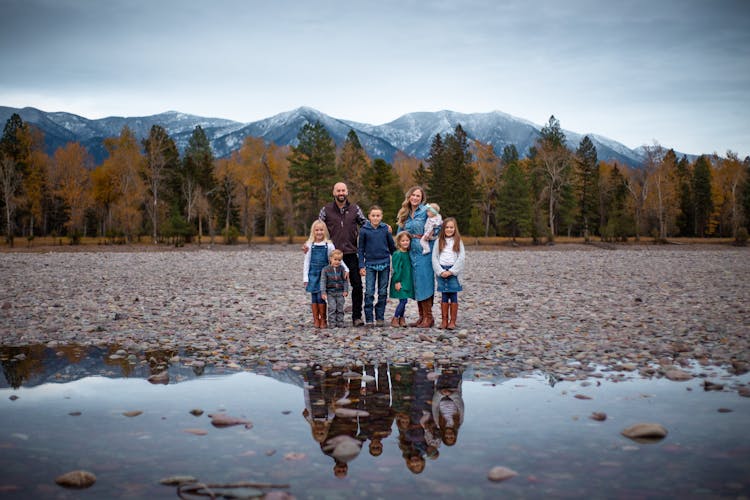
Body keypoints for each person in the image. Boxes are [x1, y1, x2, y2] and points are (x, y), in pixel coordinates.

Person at [316, 182, 368, 326]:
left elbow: (366, 224)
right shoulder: (326, 210)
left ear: (347, 192)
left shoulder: (354, 209)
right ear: (334, 193)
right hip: (332, 254)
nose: (341, 193)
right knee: (328, 285)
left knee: (357, 285)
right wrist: (308, 244)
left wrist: (383, 227)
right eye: (338, 190)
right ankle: (327, 319)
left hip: (351, 252)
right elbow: (317, 228)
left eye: (343, 190)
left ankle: (356, 317)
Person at [396, 186, 436, 328]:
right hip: (408, 251)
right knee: (416, 284)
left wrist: (433, 234)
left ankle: (429, 317)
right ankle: (421, 317)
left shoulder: (426, 211)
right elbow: (400, 233)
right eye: (413, 195)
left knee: (424, 282)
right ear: (409, 196)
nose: (415, 198)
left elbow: (438, 224)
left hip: (424, 251)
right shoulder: (404, 212)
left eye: (418, 196)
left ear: (422, 198)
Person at [303, 219, 348, 328]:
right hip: (313, 274)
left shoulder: (329, 245)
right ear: (313, 231)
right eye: (317, 230)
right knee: (314, 296)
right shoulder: (310, 244)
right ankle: (316, 319)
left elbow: (337, 258)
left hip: (325, 275)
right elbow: (306, 261)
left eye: (321, 230)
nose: (319, 232)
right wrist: (305, 278)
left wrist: (346, 269)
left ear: (325, 231)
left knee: (321, 296)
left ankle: (323, 319)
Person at [358, 205, 396, 327]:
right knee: (369, 291)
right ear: (369, 216)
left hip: (384, 263)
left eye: (378, 215)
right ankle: (369, 318)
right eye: (373, 215)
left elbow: (392, 248)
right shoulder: (364, 230)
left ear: (381, 216)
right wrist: (361, 265)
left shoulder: (385, 229)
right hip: (369, 264)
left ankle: (380, 317)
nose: (375, 218)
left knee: (383, 291)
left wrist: (395, 262)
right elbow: (360, 249)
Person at [431, 217, 465, 330]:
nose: (449, 229)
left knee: (453, 295)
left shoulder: (458, 241)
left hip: (453, 272)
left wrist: (452, 271)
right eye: (447, 227)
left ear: (455, 229)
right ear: (443, 228)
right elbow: (434, 258)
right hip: (442, 271)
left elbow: (461, 258)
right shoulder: (438, 241)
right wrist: (440, 271)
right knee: (444, 295)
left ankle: (452, 321)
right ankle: (444, 320)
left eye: (451, 227)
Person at [389, 231, 414, 327]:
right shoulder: (397, 254)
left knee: (404, 300)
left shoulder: (408, 253)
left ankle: (401, 318)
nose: (405, 242)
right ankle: (395, 318)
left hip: (407, 280)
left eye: (407, 240)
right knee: (403, 300)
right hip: (399, 280)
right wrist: (397, 281)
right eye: (403, 241)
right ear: (399, 242)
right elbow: (396, 269)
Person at [320, 249, 350, 328]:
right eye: (335, 259)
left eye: (339, 260)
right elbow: (323, 281)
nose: (337, 262)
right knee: (332, 307)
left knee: (340, 307)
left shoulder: (342, 269)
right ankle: (332, 323)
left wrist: (345, 290)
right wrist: (323, 292)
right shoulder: (325, 269)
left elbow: (345, 281)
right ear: (330, 259)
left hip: (340, 292)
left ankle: (340, 322)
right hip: (330, 293)